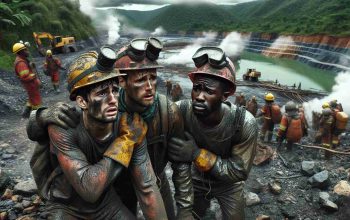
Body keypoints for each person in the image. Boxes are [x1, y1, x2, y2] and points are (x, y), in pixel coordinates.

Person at [27, 38, 193, 220]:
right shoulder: (69, 123)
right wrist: (41, 115)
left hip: (114, 196)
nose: (113, 99)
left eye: (114, 91)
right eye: (102, 94)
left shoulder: (150, 116)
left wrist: (184, 209)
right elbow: (89, 188)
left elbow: (148, 188)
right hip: (77, 202)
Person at [168, 47, 258, 219]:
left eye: (209, 91)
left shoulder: (244, 123)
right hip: (196, 178)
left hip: (229, 185)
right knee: (193, 214)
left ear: (225, 95)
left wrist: (197, 154)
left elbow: (239, 171)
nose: (199, 96)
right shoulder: (182, 110)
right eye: (196, 88)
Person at [13, 42, 42, 118]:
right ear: (21, 52)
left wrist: (30, 65)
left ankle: (25, 114)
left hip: (31, 84)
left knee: (31, 98)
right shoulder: (21, 63)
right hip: (30, 85)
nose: (27, 51)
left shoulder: (22, 60)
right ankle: (37, 116)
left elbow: (27, 70)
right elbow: (25, 77)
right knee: (36, 101)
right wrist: (34, 76)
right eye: (25, 50)